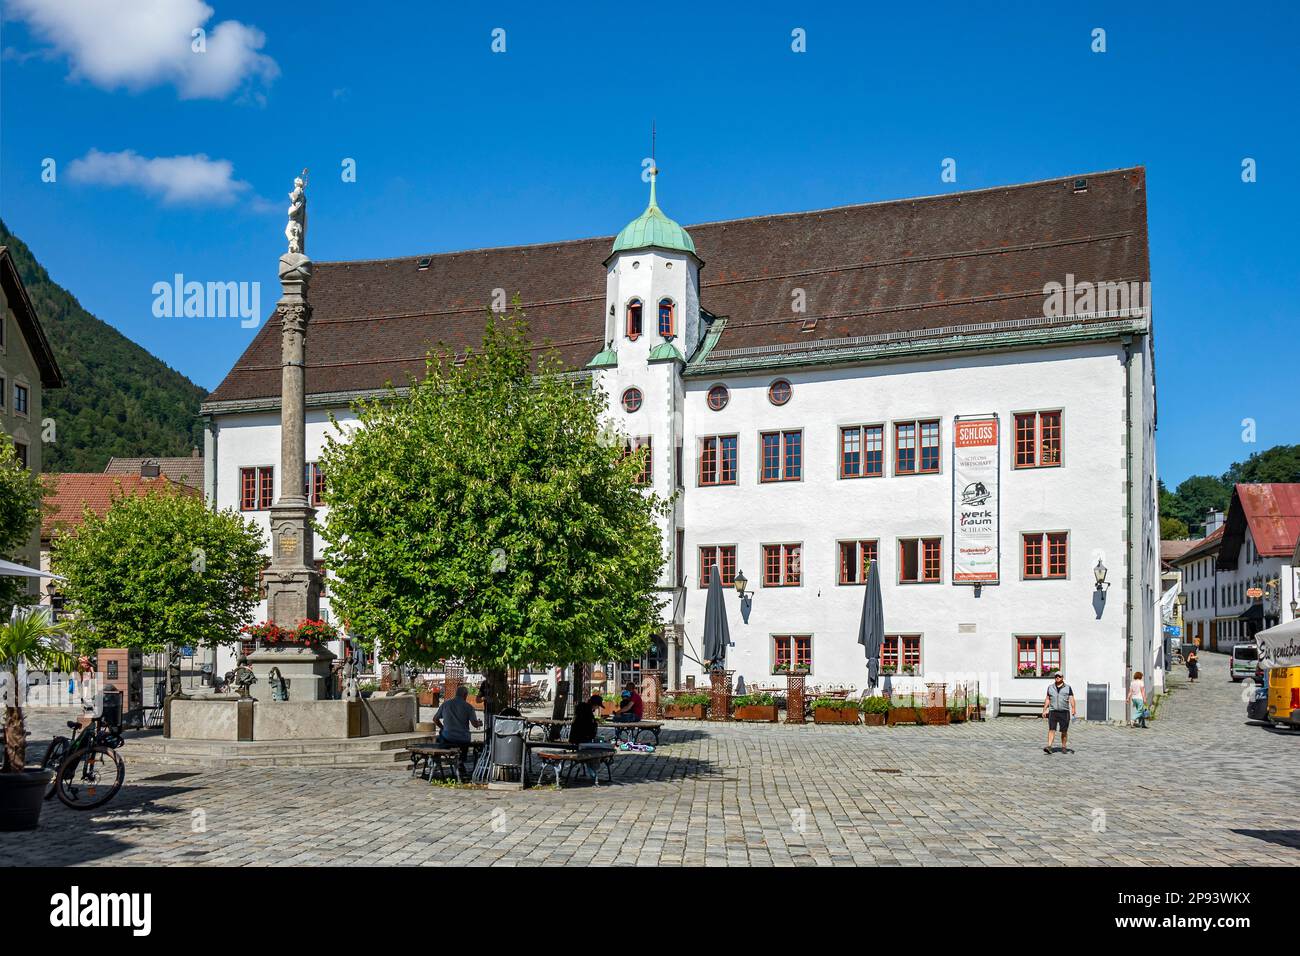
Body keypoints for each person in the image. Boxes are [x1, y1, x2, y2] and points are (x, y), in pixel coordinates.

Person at [433, 684, 483, 766]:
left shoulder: (446, 704)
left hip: (448, 737)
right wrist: (479, 723)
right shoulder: (468, 707)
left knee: (439, 737)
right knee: (466, 741)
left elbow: (435, 719)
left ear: (456, 694)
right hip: (463, 738)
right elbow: (474, 724)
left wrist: (443, 728)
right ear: (465, 695)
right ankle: (461, 762)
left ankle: (437, 760)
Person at [1041, 671, 1077, 754]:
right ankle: (1049, 746)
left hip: (1064, 712)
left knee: (1064, 731)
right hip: (1053, 711)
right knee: (1051, 729)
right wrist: (1044, 710)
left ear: (1062, 677)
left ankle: (1064, 746)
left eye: (1059, 676)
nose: (1057, 677)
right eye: (1056, 676)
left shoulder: (1068, 688)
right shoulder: (1050, 687)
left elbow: (1071, 698)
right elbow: (1047, 699)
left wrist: (1073, 708)